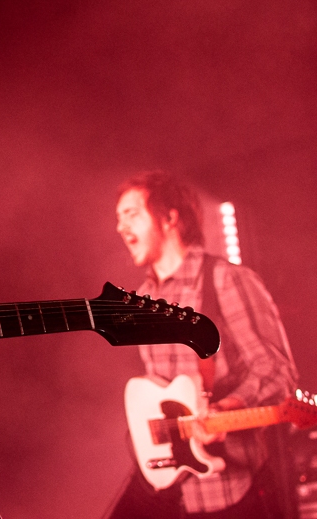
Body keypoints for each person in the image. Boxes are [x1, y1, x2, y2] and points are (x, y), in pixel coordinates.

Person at [106, 170, 297, 518]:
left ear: (168, 218)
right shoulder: (142, 301)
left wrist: (228, 406)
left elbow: (277, 371)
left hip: (235, 495)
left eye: (131, 214)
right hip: (173, 496)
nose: (121, 227)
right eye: (118, 218)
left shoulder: (225, 279)